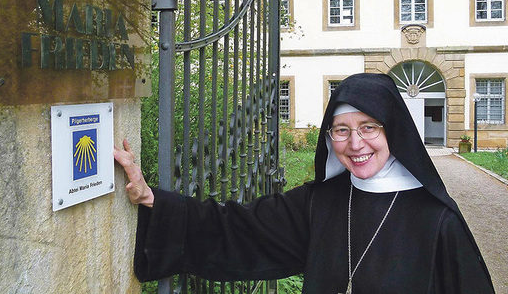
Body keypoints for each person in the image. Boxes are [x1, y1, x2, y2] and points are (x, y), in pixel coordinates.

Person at [114, 73, 495, 293]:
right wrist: (152, 199)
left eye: (369, 128)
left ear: (392, 130)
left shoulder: (437, 220)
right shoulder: (320, 203)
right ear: (329, 138)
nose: (355, 144)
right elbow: (237, 227)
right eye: (341, 130)